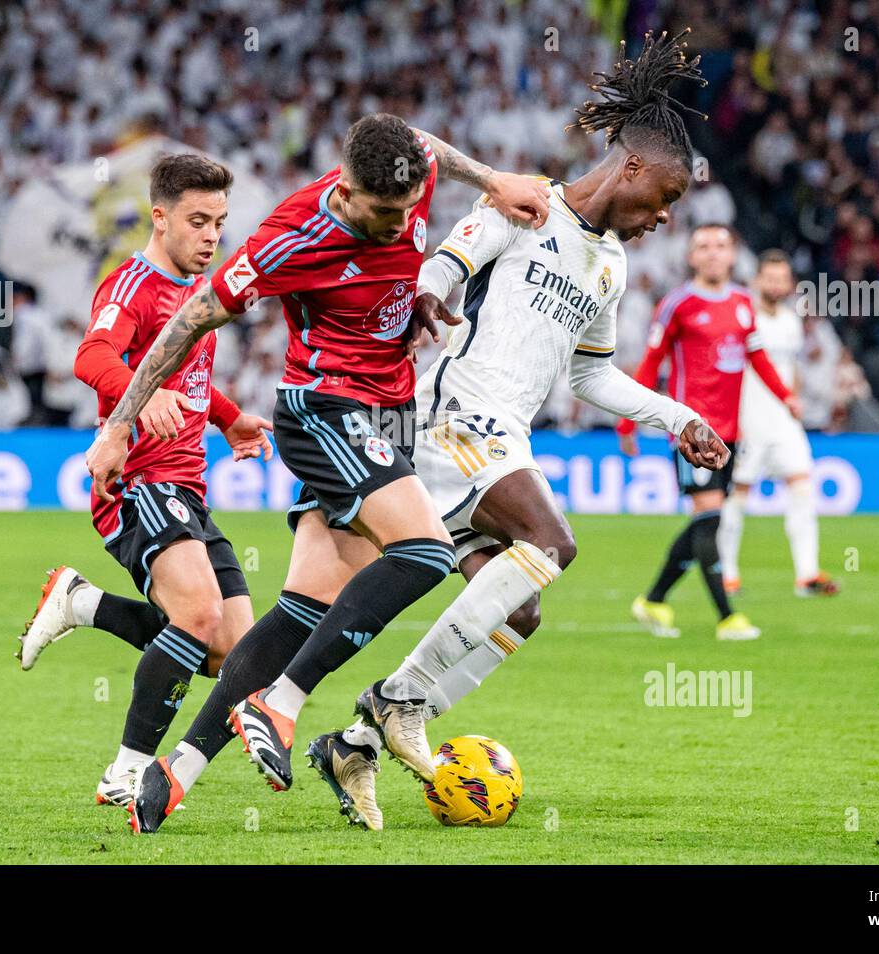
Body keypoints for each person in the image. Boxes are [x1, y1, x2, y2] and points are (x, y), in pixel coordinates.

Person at [81, 113, 551, 833]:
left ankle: (176, 773)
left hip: (392, 411)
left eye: (408, 209)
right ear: (347, 190)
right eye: (383, 213)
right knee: (423, 553)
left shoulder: (410, 176)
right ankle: (282, 702)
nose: (399, 226)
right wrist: (118, 425)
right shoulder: (289, 239)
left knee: (305, 605)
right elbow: (190, 322)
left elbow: (427, 144)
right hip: (323, 407)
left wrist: (493, 181)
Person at [311, 30, 730, 829]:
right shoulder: (527, 202)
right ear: (632, 168)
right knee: (554, 541)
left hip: (504, 437)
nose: (665, 216)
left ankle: (358, 743)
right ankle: (395, 699)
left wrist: (677, 417)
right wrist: (432, 294)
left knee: (520, 613)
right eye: (665, 197)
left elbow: (588, 374)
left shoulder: (612, 266)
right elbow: (448, 259)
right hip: (453, 414)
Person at [17, 154, 273, 806]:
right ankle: (127, 771)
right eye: (197, 221)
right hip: (136, 483)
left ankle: (82, 603)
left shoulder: (198, 291)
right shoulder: (129, 285)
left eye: (219, 221)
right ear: (159, 219)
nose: (212, 235)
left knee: (230, 657)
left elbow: (185, 380)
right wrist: (137, 395)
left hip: (186, 485)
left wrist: (230, 416)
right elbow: (93, 355)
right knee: (197, 615)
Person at [621, 223, 798, 641]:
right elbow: (650, 363)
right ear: (692, 256)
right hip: (692, 433)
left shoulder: (742, 303)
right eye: (704, 246)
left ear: (733, 255)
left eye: (721, 245)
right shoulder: (677, 304)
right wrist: (628, 420)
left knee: (708, 521)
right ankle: (726, 618)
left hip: (731, 432)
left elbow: (757, 358)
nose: (714, 253)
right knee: (711, 518)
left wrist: (785, 396)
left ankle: (654, 601)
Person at [718, 250, 840, 598]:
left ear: (789, 283)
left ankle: (807, 574)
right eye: (769, 278)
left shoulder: (790, 321)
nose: (775, 284)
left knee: (802, 488)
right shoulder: (743, 315)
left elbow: (791, 369)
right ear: (758, 281)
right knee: (737, 496)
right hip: (748, 421)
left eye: (781, 279)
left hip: (784, 422)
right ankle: (727, 574)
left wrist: (794, 400)